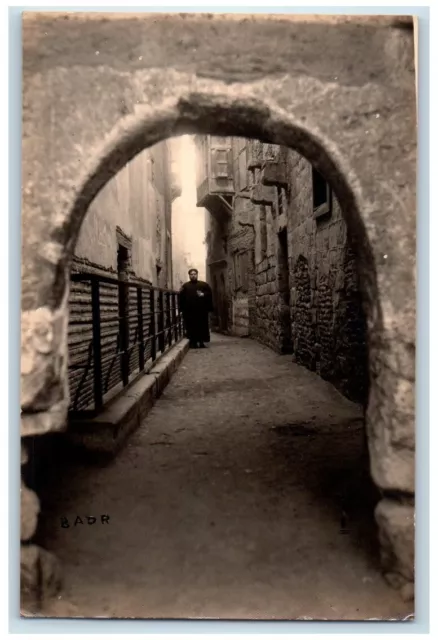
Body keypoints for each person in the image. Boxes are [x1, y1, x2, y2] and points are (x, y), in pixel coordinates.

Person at [179, 269, 213, 348]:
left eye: (194, 274)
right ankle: (193, 342)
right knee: (191, 327)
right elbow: (181, 298)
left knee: (202, 326)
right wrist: (181, 310)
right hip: (189, 311)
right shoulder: (185, 286)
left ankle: (201, 342)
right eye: (191, 274)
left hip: (201, 311)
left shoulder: (204, 285)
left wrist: (203, 294)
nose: (193, 275)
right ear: (189, 275)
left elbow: (209, 294)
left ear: (197, 275)